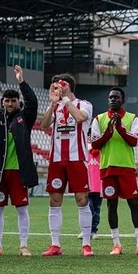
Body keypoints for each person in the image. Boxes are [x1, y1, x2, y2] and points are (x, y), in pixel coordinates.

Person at [0, 65, 38, 257]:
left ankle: (23, 245)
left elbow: (33, 103)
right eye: (7, 100)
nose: (10, 103)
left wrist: (22, 81)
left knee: (22, 209)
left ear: (18, 102)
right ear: (2, 102)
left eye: (13, 101)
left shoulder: (25, 118)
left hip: (19, 171)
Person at [38, 74, 94, 257]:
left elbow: (79, 118)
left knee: (82, 199)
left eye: (60, 84)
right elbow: (44, 126)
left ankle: (86, 244)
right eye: (54, 85)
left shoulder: (83, 104)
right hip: (56, 160)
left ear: (68, 86)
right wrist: (53, 104)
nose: (57, 88)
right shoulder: (54, 106)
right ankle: (55, 245)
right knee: (54, 201)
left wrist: (64, 99)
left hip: (77, 159)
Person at [89, 88, 138, 255]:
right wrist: (108, 131)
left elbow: (135, 141)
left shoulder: (132, 118)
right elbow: (95, 144)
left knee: (133, 204)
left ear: (123, 100)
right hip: (107, 168)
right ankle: (116, 244)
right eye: (110, 97)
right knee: (111, 205)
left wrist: (120, 128)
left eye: (116, 97)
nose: (113, 99)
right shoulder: (99, 119)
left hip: (127, 167)